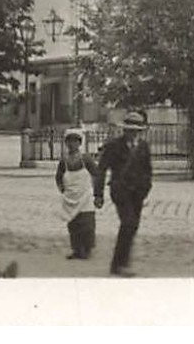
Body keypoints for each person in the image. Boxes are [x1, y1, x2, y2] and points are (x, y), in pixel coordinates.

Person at [94, 110, 153, 277]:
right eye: (130, 129)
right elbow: (101, 170)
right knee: (127, 223)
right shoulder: (113, 146)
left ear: (140, 131)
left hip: (138, 193)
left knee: (133, 226)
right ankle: (118, 264)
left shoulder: (143, 146)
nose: (133, 133)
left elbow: (148, 170)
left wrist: (146, 188)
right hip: (120, 191)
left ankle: (121, 262)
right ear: (124, 130)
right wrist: (98, 194)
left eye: (136, 130)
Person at [56, 129, 101, 260]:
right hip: (70, 196)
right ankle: (76, 249)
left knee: (87, 222)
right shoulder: (64, 161)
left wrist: (96, 192)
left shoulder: (86, 159)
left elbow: (96, 173)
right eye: (69, 141)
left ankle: (87, 249)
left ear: (80, 143)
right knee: (73, 223)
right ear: (66, 143)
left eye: (75, 141)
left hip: (85, 196)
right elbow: (58, 177)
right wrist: (62, 189)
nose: (72, 144)